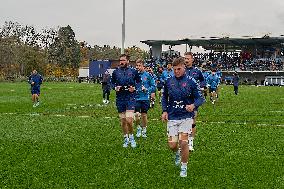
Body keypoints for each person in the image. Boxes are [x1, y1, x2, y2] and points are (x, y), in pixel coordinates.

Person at [161, 57, 205, 177]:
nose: (176, 71)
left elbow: (201, 98)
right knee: (172, 145)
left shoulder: (191, 81)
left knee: (183, 142)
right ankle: (176, 154)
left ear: (184, 67)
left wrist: (193, 105)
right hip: (173, 116)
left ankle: (184, 167)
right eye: (174, 69)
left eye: (179, 69)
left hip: (186, 116)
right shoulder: (168, 81)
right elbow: (164, 97)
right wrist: (164, 111)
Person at [111, 54, 141, 148]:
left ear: (128, 61)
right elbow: (111, 83)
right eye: (120, 60)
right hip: (120, 98)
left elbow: (139, 82)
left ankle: (131, 137)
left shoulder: (133, 71)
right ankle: (126, 138)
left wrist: (135, 88)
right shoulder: (116, 72)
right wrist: (115, 87)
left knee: (129, 120)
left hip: (130, 97)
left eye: (123, 60)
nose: (121, 62)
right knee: (123, 121)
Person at [184, 52, 205, 151]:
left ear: (192, 59)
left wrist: (199, 86)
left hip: (193, 99)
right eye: (185, 58)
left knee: (192, 120)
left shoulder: (197, 71)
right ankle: (183, 141)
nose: (186, 60)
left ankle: (191, 142)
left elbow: (203, 81)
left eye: (188, 58)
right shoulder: (181, 70)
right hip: (182, 99)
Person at [134, 59, 155, 138]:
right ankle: (138, 128)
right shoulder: (134, 75)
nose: (138, 67)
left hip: (145, 98)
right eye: (137, 66)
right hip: (136, 98)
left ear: (143, 66)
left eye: (139, 66)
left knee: (144, 115)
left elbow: (153, 86)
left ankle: (144, 130)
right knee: (136, 115)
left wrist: (147, 89)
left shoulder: (148, 75)